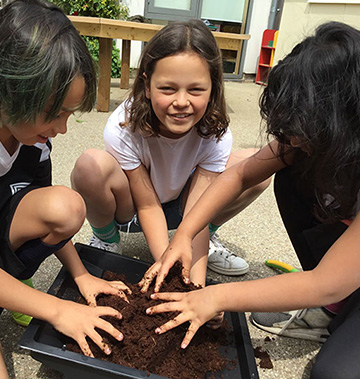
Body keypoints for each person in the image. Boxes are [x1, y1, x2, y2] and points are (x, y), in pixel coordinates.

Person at [141, 21, 360, 379]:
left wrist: (216, 297)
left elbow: (326, 283)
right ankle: (338, 308)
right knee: (291, 175)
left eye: (304, 131)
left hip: (339, 277)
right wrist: (184, 233)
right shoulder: (314, 141)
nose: (293, 141)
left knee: (334, 373)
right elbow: (241, 174)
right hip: (347, 266)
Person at [71, 19, 269, 286]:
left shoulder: (216, 133)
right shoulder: (123, 126)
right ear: (147, 86)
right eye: (168, 88)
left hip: (184, 206)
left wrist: (192, 285)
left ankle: (201, 244)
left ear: (213, 89)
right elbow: (148, 205)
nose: (181, 102)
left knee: (256, 167)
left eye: (196, 89)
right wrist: (166, 265)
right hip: (132, 209)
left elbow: (198, 210)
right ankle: (107, 240)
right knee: (89, 165)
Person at [0, 1, 131, 376]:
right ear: (11, 88)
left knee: (67, 206)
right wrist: (56, 309)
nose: (63, 128)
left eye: (70, 114)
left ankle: (14, 288)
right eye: (55, 112)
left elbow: (43, 207)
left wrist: (81, 274)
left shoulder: (34, 138)